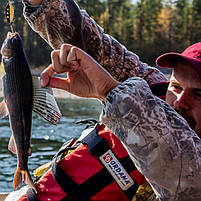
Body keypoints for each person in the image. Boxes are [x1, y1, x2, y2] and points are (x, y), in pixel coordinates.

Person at [5, 0, 200, 200]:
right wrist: (40, 3)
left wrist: (108, 91)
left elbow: (185, 176)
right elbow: (89, 44)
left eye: (198, 94)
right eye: (175, 86)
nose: (179, 101)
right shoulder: (151, 87)